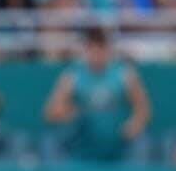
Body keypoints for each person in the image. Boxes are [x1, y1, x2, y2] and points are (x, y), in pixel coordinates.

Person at [44, 28, 150, 161]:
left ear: (107, 50)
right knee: (53, 138)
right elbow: (50, 112)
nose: (96, 55)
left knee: (141, 139)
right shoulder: (72, 76)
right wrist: (67, 113)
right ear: (86, 50)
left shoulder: (124, 74)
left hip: (116, 138)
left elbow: (143, 108)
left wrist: (134, 124)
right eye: (91, 49)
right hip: (83, 137)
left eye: (100, 49)